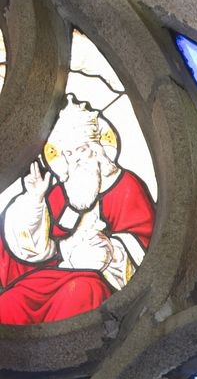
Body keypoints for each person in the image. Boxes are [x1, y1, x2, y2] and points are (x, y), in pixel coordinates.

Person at [0, 99, 154, 324]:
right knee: (10, 303)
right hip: (50, 278)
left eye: (81, 149)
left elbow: (146, 243)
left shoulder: (125, 187)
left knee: (82, 293)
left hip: (92, 279)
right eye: (68, 154)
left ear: (96, 149)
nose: (76, 159)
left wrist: (110, 249)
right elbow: (34, 252)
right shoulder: (59, 193)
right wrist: (35, 199)